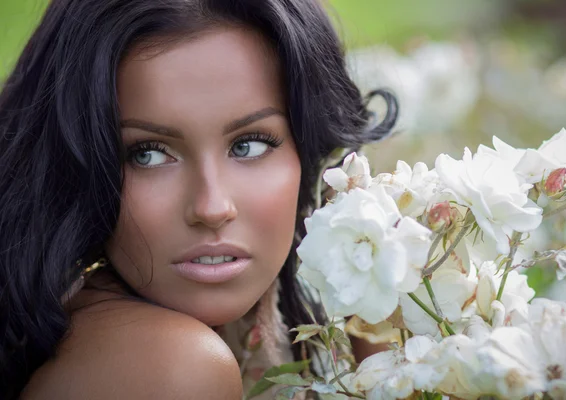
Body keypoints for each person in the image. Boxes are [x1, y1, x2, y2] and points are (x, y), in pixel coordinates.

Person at [0, 0, 398, 398]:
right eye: (149, 154)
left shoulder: (261, 334)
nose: (212, 207)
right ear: (79, 166)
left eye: (248, 146)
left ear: (307, 150)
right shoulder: (170, 367)